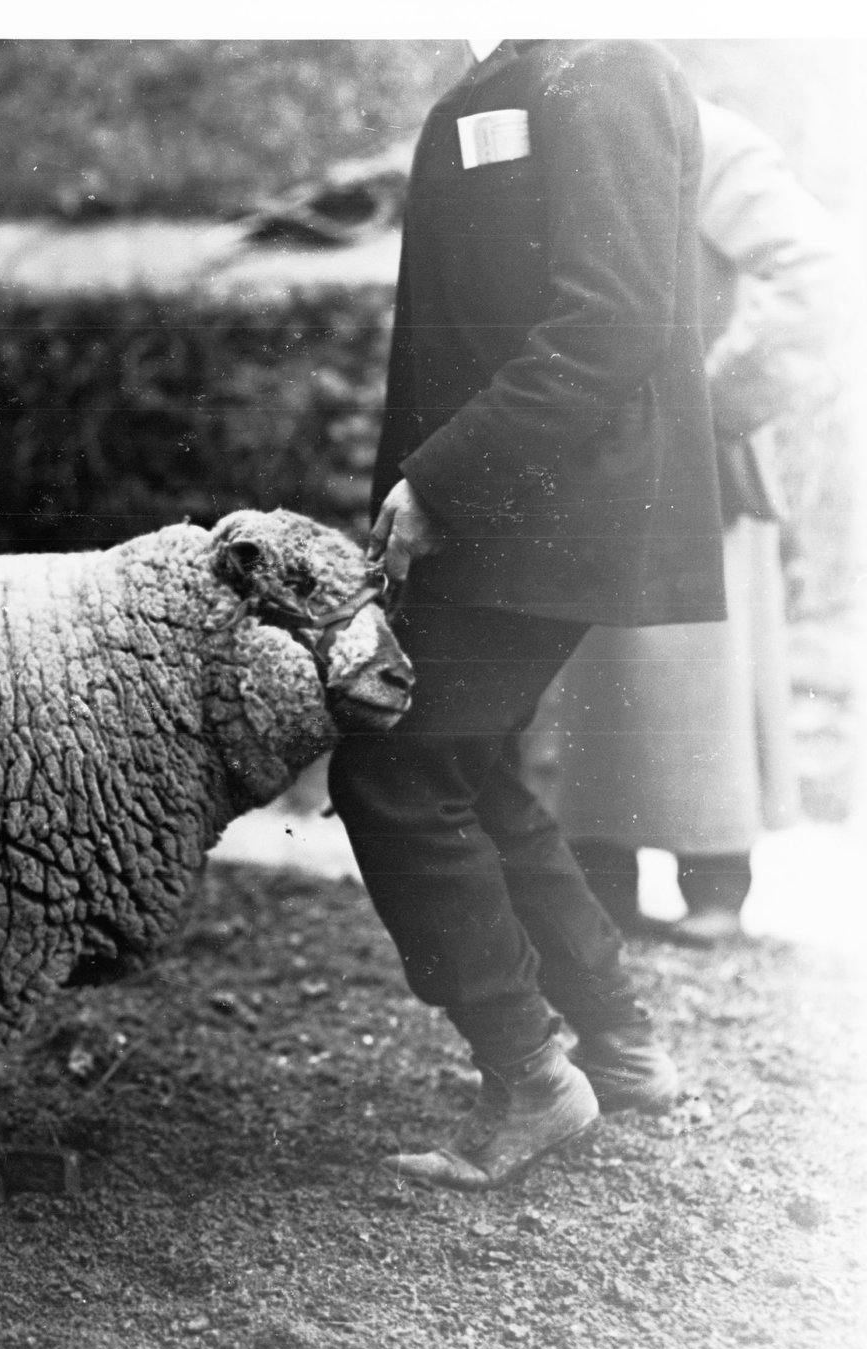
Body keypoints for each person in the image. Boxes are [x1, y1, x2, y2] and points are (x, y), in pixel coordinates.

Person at [327, 39, 722, 1190]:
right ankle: (618, 1045)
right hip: (502, 507)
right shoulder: (499, 74)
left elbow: (608, 325)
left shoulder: (600, 67)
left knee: (391, 771)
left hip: (546, 502)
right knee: (470, 765)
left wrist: (443, 480)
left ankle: (531, 1075)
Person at [527, 99, 849, 945]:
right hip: (581, 447)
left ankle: (716, 881)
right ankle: (601, 878)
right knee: (592, 669)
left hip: (699, 451)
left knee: (699, 661)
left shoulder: (713, 138)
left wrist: (712, 395)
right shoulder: (550, 128)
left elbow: (816, 271)